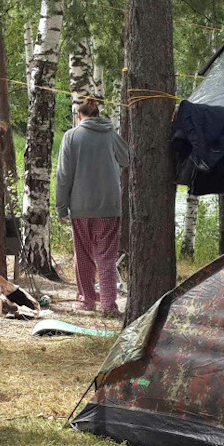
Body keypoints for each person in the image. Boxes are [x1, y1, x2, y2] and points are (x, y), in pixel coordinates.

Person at [54, 95, 129, 316]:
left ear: (79, 115)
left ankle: (87, 300)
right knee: (106, 258)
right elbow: (126, 159)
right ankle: (108, 305)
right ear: (97, 115)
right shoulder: (111, 134)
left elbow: (63, 176)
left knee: (84, 256)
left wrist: (61, 207)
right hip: (109, 206)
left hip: (81, 207)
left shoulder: (71, 136)